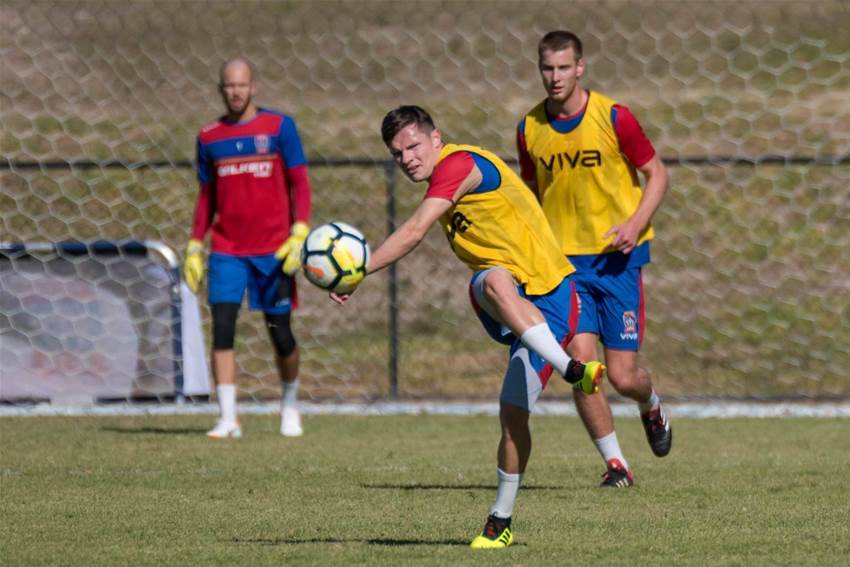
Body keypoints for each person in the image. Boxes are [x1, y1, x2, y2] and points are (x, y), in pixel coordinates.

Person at [332, 106, 604, 549]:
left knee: (512, 414)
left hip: (551, 296)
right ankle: (571, 368)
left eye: (413, 146)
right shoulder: (442, 175)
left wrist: (359, 271)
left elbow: (415, 231)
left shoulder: (459, 165)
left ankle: (501, 519)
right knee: (491, 280)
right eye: (397, 154)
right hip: (506, 293)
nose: (407, 159)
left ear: (436, 138)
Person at [517, 30, 673, 487]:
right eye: (548, 68)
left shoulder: (614, 116)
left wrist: (635, 223)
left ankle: (650, 404)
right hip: (565, 268)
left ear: (580, 68)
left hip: (617, 262)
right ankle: (616, 465)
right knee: (581, 366)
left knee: (623, 377)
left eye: (564, 67)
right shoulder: (529, 128)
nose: (555, 77)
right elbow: (530, 194)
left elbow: (657, 174)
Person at [183, 57, 312, 439]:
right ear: (220, 90)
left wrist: (300, 229)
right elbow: (206, 197)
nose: (236, 92)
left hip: (274, 251)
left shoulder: (279, 127)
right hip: (227, 250)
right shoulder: (209, 137)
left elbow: (300, 182)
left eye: (242, 85)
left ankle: (289, 404)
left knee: (280, 333)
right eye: (229, 86)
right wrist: (195, 243)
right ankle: (228, 418)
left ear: (253, 87)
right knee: (222, 328)